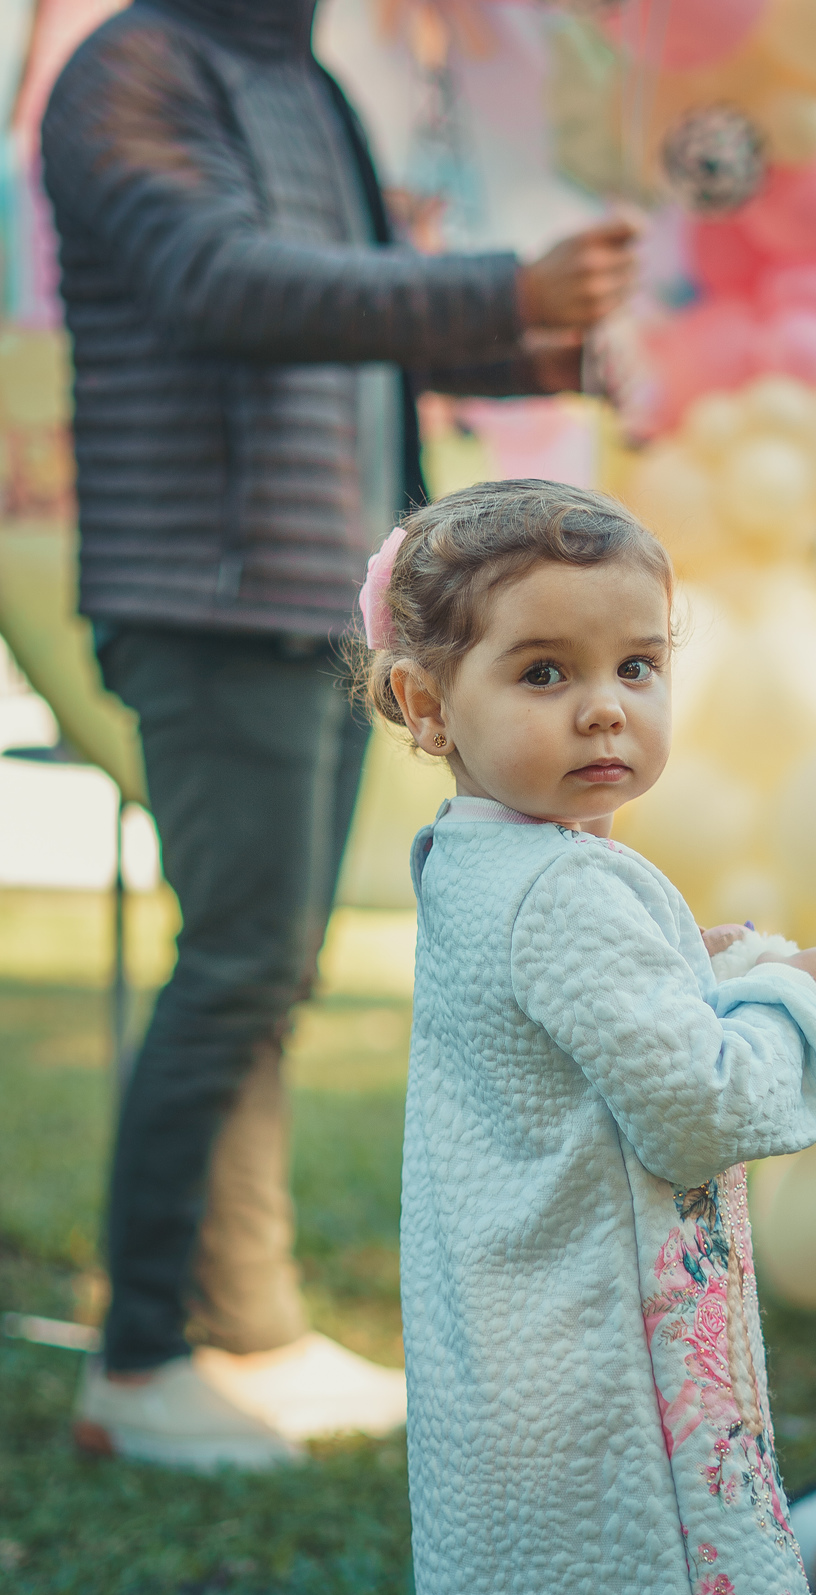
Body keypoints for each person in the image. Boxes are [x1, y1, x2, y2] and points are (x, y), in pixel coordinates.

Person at [44, 0, 639, 1468]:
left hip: (317, 597)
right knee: (238, 961)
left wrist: (545, 352)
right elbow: (222, 283)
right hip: (211, 592)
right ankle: (139, 1366)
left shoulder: (297, 76)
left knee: (271, 969)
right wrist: (502, 286)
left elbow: (356, 327)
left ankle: (244, 1332)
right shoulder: (135, 66)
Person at [361, 477, 816, 1595]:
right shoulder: (561, 889)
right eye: (544, 671)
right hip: (602, 1369)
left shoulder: (476, 860)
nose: (606, 705)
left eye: (638, 664)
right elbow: (698, 1109)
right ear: (426, 703)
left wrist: (684, 971)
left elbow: (570, 1035)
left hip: (519, 1349)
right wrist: (789, 1005)